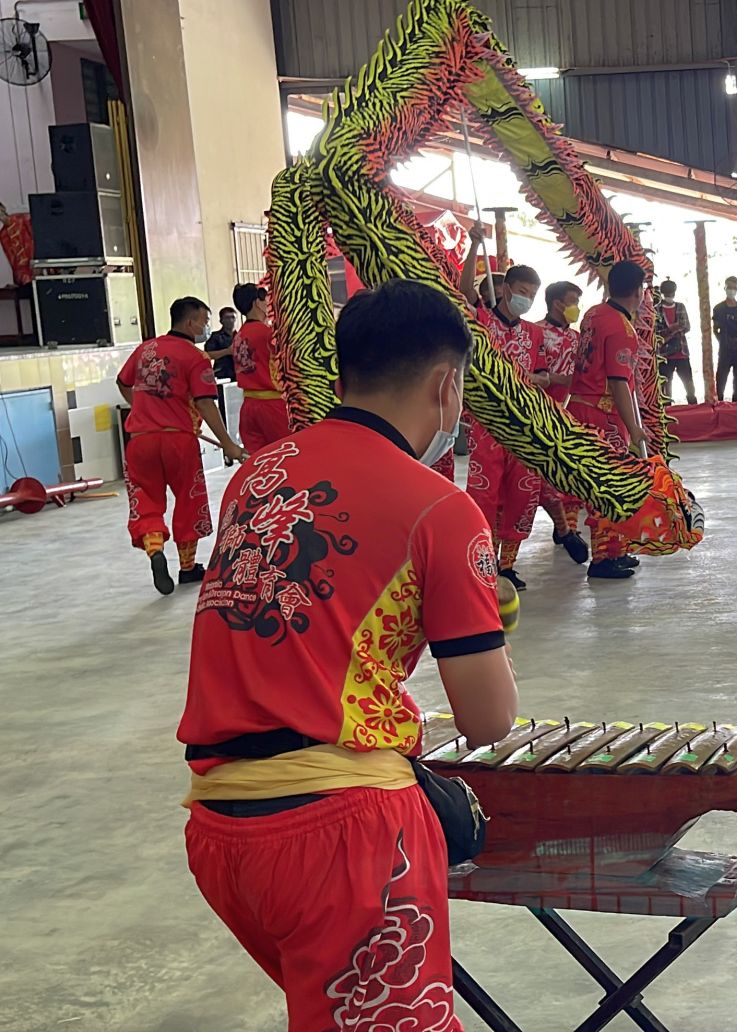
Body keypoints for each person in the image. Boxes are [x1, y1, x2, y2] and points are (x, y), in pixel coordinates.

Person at [178, 279, 518, 1032]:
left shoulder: (254, 478)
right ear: (447, 384)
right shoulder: (439, 506)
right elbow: (489, 718)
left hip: (222, 831)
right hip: (342, 837)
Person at [117, 296, 247, 594]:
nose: (205, 327)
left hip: (141, 441)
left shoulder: (145, 348)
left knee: (146, 497)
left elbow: (122, 381)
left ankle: (154, 549)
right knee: (189, 500)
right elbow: (204, 403)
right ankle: (187, 567)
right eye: (203, 321)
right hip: (178, 440)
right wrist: (228, 443)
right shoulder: (196, 358)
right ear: (191, 322)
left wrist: (142, 408)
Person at [456, 240, 546, 590]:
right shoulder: (481, 320)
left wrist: (539, 379)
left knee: (522, 495)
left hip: (524, 426)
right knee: (484, 496)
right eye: (522, 291)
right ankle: (484, 560)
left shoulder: (534, 333)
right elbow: (463, 289)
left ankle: (507, 564)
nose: (526, 299)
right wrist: (475, 246)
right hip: (487, 425)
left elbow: (541, 372)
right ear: (505, 289)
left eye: (532, 294)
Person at [570, 260, 651, 580]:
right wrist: (634, 429)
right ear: (638, 291)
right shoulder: (622, 328)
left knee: (607, 482)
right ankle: (602, 559)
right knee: (607, 486)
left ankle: (615, 549)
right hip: (601, 414)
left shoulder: (593, 313)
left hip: (582, 406)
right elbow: (619, 382)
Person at [536, 280, 590, 564]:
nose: (575, 307)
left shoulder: (578, 338)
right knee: (539, 478)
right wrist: (560, 380)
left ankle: (568, 527)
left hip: (568, 415)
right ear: (557, 303)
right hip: (538, 414)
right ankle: (563, 528)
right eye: (572, 300)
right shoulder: (535, 333)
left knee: (568, 472)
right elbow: (530, 373)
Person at [231, 283, 290, 453]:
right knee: (287, 457)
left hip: (249, 406)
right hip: (272, 405)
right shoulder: (267, 333)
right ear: (258, 302)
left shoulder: (239, 335)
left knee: (259, 462)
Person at [656, 279, 697, 405]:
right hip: (664, 354)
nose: (670, 296)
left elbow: (687, 326)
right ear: (662, 293)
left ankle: (694, 407)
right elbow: (656, 332)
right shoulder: (656, 310)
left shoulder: (680, 306)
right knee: (666, 385)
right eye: (667, 293)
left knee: (688, 383)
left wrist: (671, 330)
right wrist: (672, 329)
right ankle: (667, 411)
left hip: (682, 352)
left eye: (671, 293)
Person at [713, 275, 737, 402]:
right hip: (725, 348)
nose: (731, 290)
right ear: (725, 288)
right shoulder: (719, 308)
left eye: (734, 288)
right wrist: (722, 340)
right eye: (729, 287)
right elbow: (715, 328)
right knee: (721, 376)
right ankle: (719, 400)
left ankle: (736, 401)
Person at [205, 307, 238, 382]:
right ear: (221, 320)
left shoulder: (241, 336)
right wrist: (227, 351)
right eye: (227, 317)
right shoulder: (215, 337)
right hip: (222, 377)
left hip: (240, 376)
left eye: (233, 317)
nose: (230, 320)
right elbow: (207, 355)